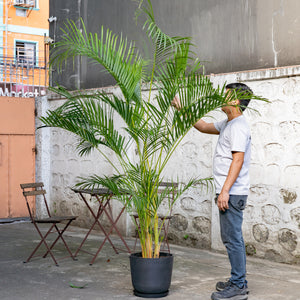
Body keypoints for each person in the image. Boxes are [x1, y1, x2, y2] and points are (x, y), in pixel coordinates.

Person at [172, 82, 252, 300]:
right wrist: (182, 108)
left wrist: (225, 191)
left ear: (236, 101)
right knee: (230, 237)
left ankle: (238, 285)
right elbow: (203, 126)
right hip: (230, 191)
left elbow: (238, 159)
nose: (220, 97)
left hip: (232, 193)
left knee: (232, 238)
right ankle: (238, 279)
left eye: (225, 95)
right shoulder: (228, 123)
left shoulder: (238, 127)